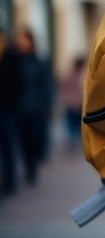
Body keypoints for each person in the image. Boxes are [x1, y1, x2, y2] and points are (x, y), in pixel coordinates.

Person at [14, 26, 55, 185]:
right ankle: (28, 166)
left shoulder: (39, 61)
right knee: (23, 141)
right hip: (19, 108)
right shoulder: (16, 61)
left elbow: (46, 84)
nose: (21, 43)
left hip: (36, 108)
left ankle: (34, 164)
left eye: (25, 39)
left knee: (36, 139)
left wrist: (47, 104)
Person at [0, 28, 24, 197]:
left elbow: (18, 84)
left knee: (8, 145)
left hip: (8, 110)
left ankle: (10, 180)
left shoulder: (12, 58)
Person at [58, 56, 86, 152]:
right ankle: (73, 141)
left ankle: (75, 141)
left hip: (77, 104)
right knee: (73, 124)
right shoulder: (73, 74)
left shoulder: (80, 74)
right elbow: (63, 88)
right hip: (73, 103)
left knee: (75, 124)